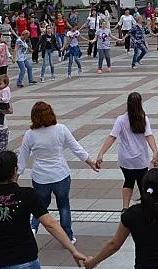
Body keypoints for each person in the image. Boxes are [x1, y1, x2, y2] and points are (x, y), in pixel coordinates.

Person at [18, 101, 99, 243]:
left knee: (40, 206)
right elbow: (76, 147)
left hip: (40, 177)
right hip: (61, 174)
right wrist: (89, 161)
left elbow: (22, 156)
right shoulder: (61, 129)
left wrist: (15, 176)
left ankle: (33, 228)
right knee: (64, 205)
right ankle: (68, 235)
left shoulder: (30, 135)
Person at [95, 92, 158, 210]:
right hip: (140, 159)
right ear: (140, 104)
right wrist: (155, 151)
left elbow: (112, 137)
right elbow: (149, 135)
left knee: (128, 181)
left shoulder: (121, 120)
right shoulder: (143, 118)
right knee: (142, 183)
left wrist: (101, 153)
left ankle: (125, 207)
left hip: (125, 160)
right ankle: (146, 208)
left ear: (127, 104)